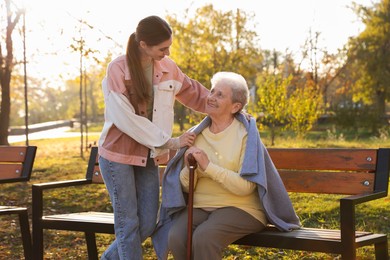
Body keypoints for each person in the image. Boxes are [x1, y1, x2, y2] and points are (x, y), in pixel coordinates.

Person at [152, 71, 301, 260]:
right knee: (175, 236)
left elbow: (246, 187)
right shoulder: (195, 134)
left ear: (235, 106)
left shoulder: (246, 136)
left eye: (219, 95)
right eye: (212, 91)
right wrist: (191, 168)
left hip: (242, 208)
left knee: (205, 237)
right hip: (201, 206)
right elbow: (185, 186)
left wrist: (208, 167)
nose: (211, 97)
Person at [97, 15, 210, 259]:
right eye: (162, 48)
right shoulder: (117, 68)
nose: (167, 52)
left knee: (148, 223)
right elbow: (125, 119)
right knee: (128, 225)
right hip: (117, 156)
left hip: (147, 156)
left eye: (169, 46)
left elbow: (193, 92)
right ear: (143, 44)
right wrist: (170, 142)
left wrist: (224, 103)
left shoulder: (168, 67)